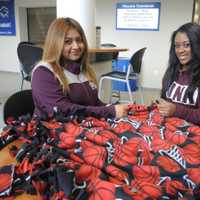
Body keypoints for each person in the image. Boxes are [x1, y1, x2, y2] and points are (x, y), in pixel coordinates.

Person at [31, 17, 128, 119]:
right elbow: (61, 111)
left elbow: (94, 102)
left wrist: (110, 107)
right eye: (68, 42)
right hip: (52, 131)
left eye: (79, 40)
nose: (76, 46)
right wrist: (109, 111)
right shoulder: (43, 72)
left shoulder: (84, 70)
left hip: (83, 126)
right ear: (55, 44)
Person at [158, 22, 200, 125]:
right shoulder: (171, 72)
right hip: (169, 129)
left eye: (187, 45)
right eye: (177, 46)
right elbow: (165, 100)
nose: (180, 50)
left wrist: (176, 110)